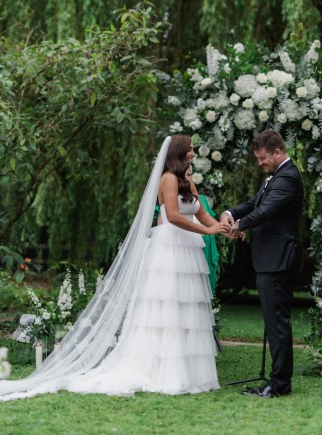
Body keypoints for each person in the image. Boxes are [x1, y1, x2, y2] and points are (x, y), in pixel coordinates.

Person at [0, 135, 230, 401]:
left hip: (188, 249)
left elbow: (201, 212)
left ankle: (187, 372)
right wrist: (207, 230)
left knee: (185, 309)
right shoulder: (167, 179)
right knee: (164, 308)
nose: (193, 152)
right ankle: (162, 371)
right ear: (179, 152)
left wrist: (221, 229)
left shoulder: (188, 180)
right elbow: (174, 216)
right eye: (189, 149)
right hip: (169, 249)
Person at [221, 130, 304, 398]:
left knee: (278, 323)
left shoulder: (288, 177)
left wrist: (239, 226)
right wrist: (231, 213)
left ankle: (279, 384)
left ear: (277, 152)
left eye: (262, 158)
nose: (260, 163)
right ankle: (277, 380)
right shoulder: (275, 177)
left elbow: (266, 211)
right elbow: (255, 204)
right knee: (273, 321)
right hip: (270, 260)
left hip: (278, 261)